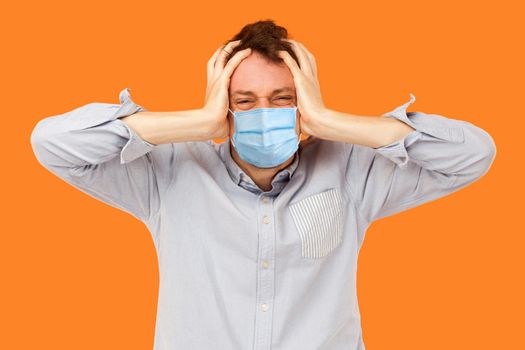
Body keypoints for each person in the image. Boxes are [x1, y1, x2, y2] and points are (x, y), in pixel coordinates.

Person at [30, 19, 496, 350]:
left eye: (282, 98)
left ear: (303, 103)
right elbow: (52, 142)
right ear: (224, 105)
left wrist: (329, 120)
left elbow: (473, 154)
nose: (265, 113)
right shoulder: (166, 174)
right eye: (244, 101)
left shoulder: (353, 171)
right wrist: (199, 120)